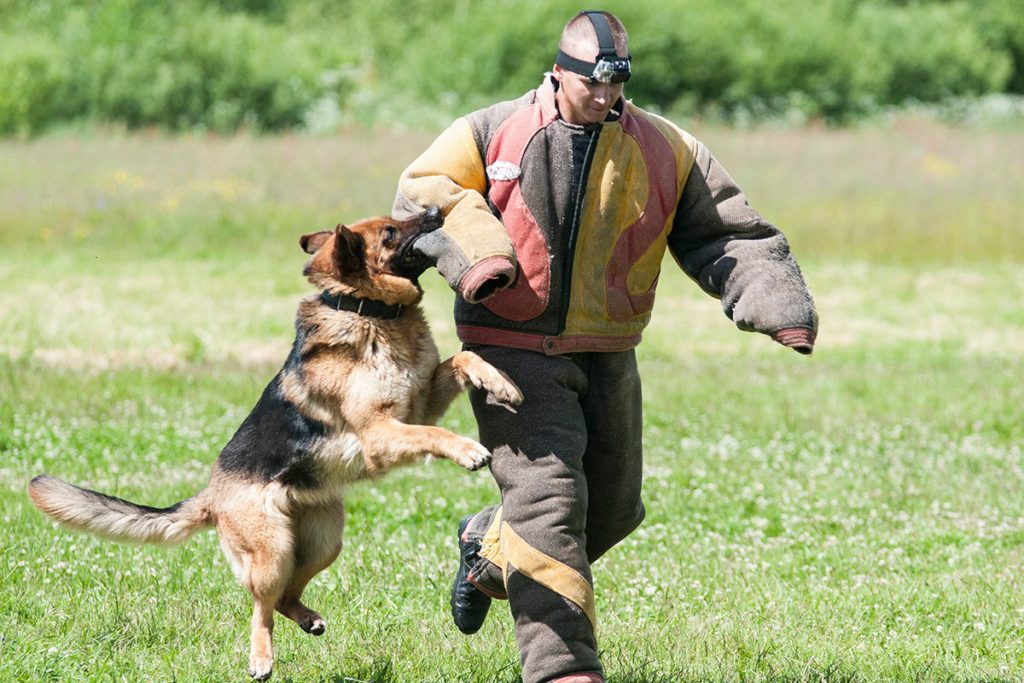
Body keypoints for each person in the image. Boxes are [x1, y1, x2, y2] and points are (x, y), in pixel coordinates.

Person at [391, 10, 817, 683]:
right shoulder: (491, 129)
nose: (604, 94)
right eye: (592, 81)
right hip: (509, 344)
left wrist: (773, 300)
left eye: (616, 82)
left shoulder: (666, 147)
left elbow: (728, 231)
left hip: (610, 346)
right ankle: (563, 667)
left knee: (613, 507)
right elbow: (422, 192)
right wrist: (477, 249)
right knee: (549, 502)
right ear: (560, 72)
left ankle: (489, 546)